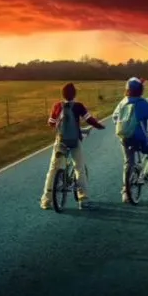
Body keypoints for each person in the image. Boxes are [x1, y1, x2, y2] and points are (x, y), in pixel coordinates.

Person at [40, 82, 105, 210]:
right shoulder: (79, 106)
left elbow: (51, 123)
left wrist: (59, 126)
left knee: (53, 169)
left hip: (61, 141)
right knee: (79, 168)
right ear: (74, 94)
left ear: (62, 94)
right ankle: (83, 199)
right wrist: (99, 126)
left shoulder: (57, 106)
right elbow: (89, 119)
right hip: (75, 141)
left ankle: (46, 200)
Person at [112, 77, 148, 202]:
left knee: (128, 163)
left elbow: (114, 117)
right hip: (139, 138)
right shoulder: (141, 103)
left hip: (124, 137)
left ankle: (125, 193)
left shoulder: (122, 102)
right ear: (140, 90)